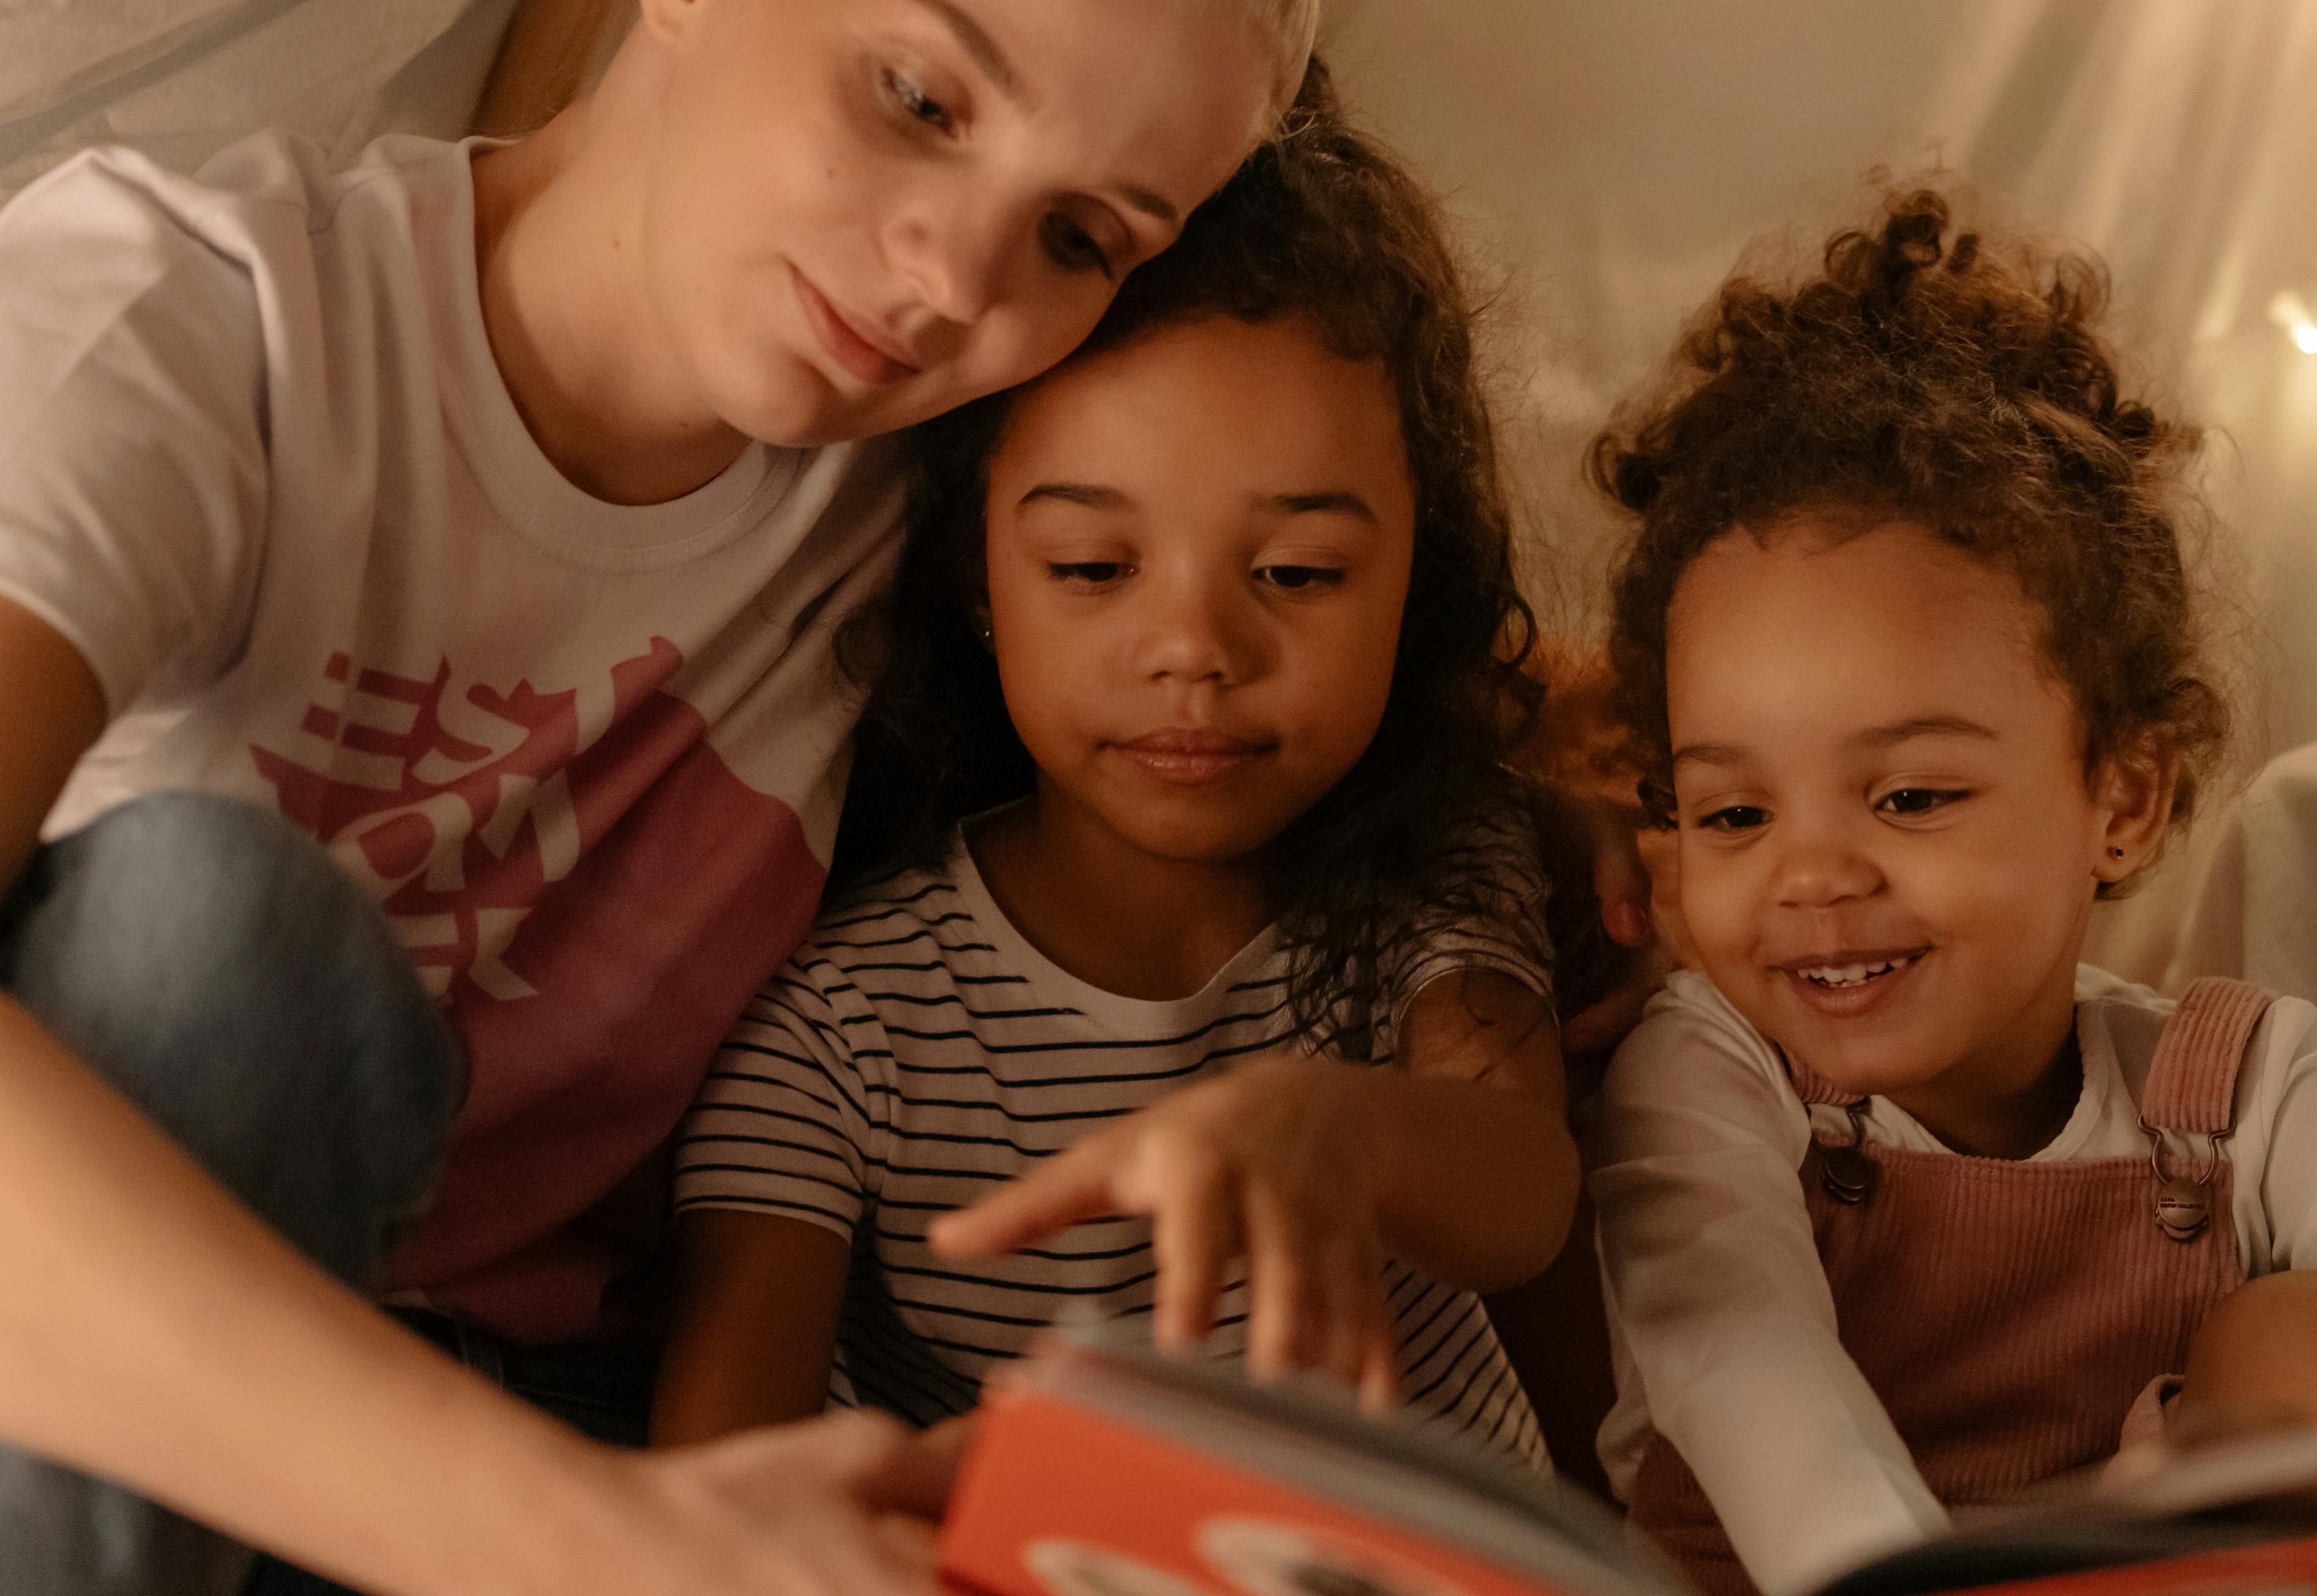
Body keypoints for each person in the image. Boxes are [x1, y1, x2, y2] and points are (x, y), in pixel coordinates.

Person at [0, 0, 1333, 1590]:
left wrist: (1569, 824)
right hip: (156, 1404)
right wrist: (573, 1538)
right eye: (918, 95)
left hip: (584, 1409)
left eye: (1081, 236)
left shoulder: (959, 500)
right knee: (231, 936)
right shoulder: (192, 319)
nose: (959, 281)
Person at [650, 75, 1619, 1469]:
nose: (1196, 651)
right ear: (978, 577)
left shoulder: (1433, 865)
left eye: (1298, 572)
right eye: (1093, 570)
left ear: (1420, 581)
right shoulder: (848, 1033)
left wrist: (1337, 1134)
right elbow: (713, 1494)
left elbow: (1527, 1192)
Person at [1579, 190, 2317, 1596]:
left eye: (1911, 797)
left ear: (2119, 799)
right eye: (1733, 812)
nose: (1812, 874)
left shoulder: (2239, 1092)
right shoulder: (1710, 1073)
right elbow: (1740, 1358)